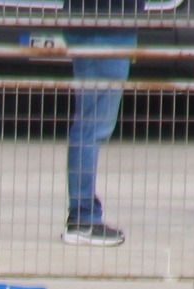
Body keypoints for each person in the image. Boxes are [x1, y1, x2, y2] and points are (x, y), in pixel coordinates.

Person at [62, 3, 142, 246]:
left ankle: (83, 215)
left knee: (92, 124)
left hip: (106, 24)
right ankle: (83, 217)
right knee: (93, 125)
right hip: (104, 25)